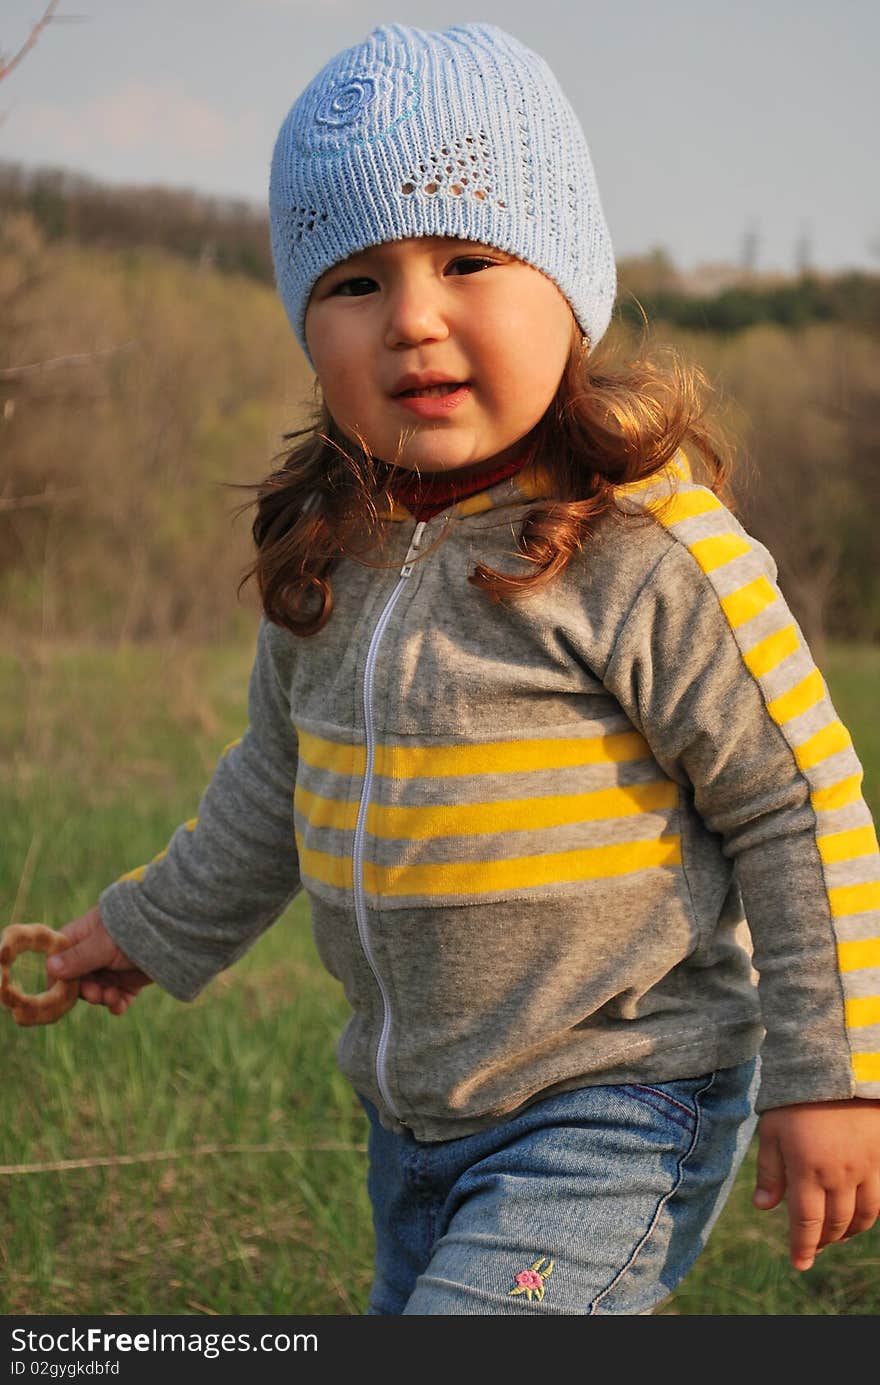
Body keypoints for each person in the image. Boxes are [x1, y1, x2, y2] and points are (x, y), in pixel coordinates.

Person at [47, 23, 879, 1315]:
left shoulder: (651, 552)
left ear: (572, 289)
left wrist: (832, 1071)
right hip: (415, 1122)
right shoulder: (331, 555)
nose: (415, 319)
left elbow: (798, 800)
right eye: (355, 281)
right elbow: (275, 785)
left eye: (470, 259)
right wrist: (146, 928)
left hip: (621, 1101)